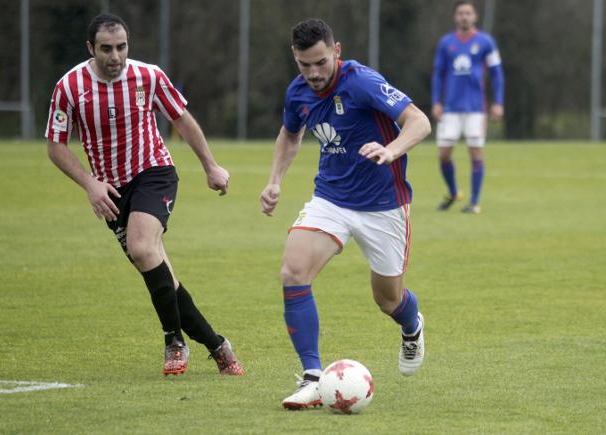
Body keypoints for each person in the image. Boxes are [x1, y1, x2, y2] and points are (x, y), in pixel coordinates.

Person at [45, 14, 243, 377]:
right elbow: (56, 147)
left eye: (121, 47)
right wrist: (90, 184)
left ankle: (173, 340)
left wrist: (211, 166)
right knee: (159, 270)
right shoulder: (70, 86)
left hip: (154, 173)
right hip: (111, 191)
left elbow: (182, 118)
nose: (115, 56)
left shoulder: (148, 76)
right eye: (106, 48)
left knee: (141, 246)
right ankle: (218, 346)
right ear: (91, 48)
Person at [259, 18, 431, 410]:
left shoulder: (362, 82)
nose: (314, 73)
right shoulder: (297, 91)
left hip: (385, 204)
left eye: (321, 62)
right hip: (331, 199)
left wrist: (392, 150)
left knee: (387, 300)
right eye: (305, 65)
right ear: (295, 59)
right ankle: (313, 377)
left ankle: (412, 325)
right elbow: (290, 133)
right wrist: (275, 181)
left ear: (336, 51)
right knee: (293, 271)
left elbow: (419, 122)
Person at [431, 0, 505, 214]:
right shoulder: (446, 43)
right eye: (461, 13)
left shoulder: (485, 42)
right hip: (450, 108)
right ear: (456, 17)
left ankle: (474, 202)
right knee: (444, 154)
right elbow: (438, 74)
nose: (464, 16)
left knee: (476, 153)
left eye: (468, 13)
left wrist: (498, 102)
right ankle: (454, 192)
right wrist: (437, 101)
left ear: (475, 17)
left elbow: (497, 73)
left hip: (475, 109)